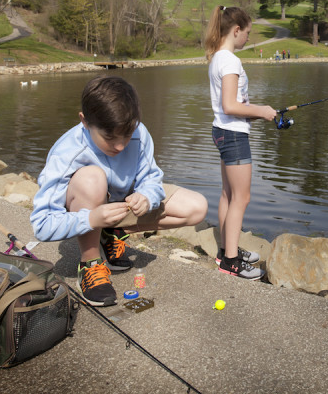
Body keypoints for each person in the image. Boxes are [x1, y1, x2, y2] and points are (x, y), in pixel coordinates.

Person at [30, 75, 207, 306]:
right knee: (92, 178)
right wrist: (92, 218)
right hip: (87, 206)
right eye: (109, 137)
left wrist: (147, 196)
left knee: (196, 208)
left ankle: (111, 234)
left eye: (127, 134)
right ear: (84, 121)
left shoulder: (139, 133)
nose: (121, 145)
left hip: (119, 207)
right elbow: (42, 225)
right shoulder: (67, 151)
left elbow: (152, 179)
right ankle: (91, 263)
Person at [205, 5, 276, 280]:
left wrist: (260, 115)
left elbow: (228, 108)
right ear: (236, 31)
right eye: (247, 33)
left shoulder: (217, 58)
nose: (248, 38)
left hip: (224, 131)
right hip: (233, 136)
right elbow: (231, 105)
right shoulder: (231, 61)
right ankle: (231, 261)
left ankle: (226, 250)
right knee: (241, 197)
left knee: (227, 194)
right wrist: (262, 110)